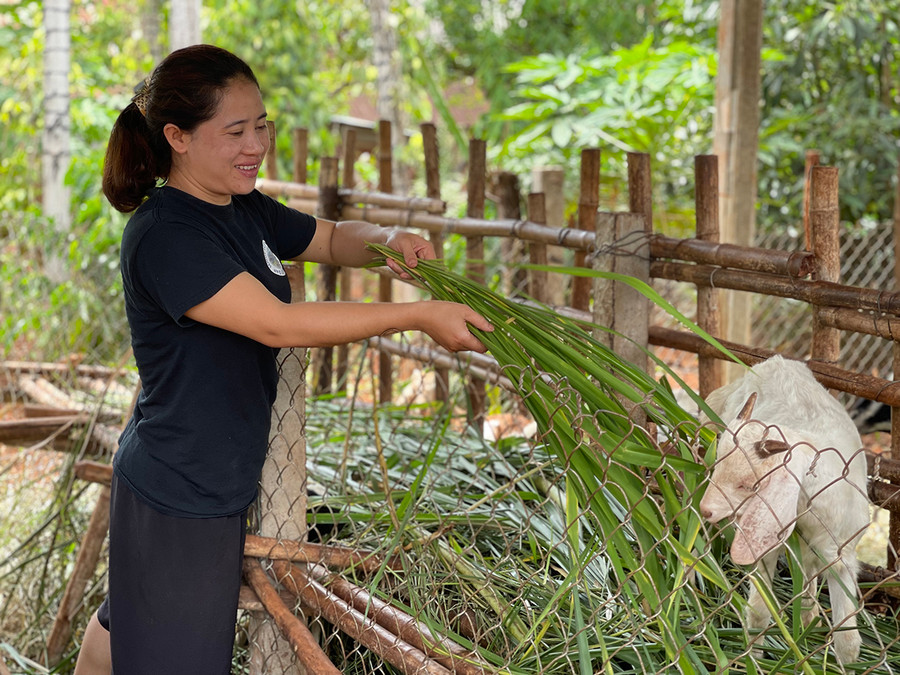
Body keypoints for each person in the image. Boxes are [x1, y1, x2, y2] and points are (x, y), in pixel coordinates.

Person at [74, 44, 492, 675]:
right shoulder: (166, 236)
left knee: (131, 621)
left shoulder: (241, 207)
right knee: (176, 654)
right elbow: (277, 324)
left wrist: (385, 243)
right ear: (176, 137)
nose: (256, 144)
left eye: (261, 125)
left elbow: (324, 237)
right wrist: (416, 314)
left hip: (205, 470)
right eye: (235, 131)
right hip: (180, 485)